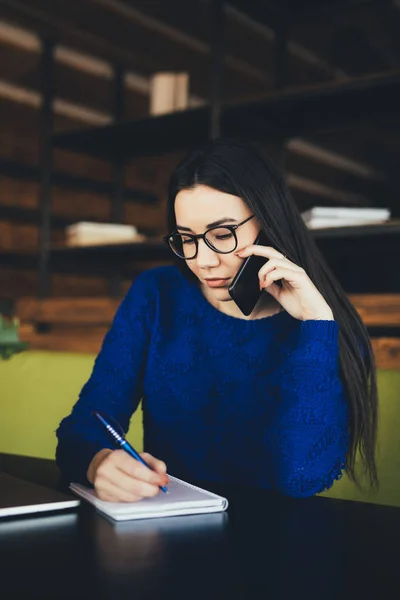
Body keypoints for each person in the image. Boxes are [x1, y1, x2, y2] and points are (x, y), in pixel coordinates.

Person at [56, 137, 378, 501]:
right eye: (186, 238)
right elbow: (83, 427)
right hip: (169, 524)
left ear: (268, 222)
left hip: (277, 541)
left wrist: (316, 324)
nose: (202, 261)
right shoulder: (157, 294)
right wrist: (99, 462)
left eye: (222, 235)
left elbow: (302, 478)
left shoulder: (322, 324)